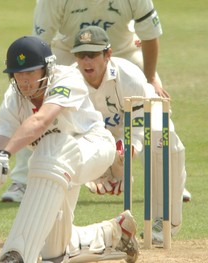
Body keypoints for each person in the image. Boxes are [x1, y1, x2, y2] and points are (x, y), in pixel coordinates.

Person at [0, 36, 139, 262]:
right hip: (54, 169)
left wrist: (4, 155)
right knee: (53, 251)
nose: (25, 81)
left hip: (94, 148)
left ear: (46, 68)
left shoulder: (67, 78)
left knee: (52, 146)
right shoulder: (13, 100)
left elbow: (41, 121)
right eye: (18, 74)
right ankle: (116, 234)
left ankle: (17, 254)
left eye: (30, 72)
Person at [1, 0, 192, 203]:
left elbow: (149, 33)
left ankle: (170, 184)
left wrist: (151, 77)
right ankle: (23, 181)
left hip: (124, 50)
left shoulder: (130, 73)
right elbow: (38, 44)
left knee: (157, 117)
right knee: (39, 111)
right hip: (68, 52)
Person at [71, 26, 186, 244]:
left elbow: (138, 128)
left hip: (143, 116)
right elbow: (70, 131)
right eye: (81, 55)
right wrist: (97, 167)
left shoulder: (128, 76)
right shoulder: (69, 81)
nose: (87, 62)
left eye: (93, 55)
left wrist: (122, 159)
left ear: (108, 54)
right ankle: (58, 226)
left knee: (166, 142)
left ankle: (165, 220)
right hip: (98, 131)